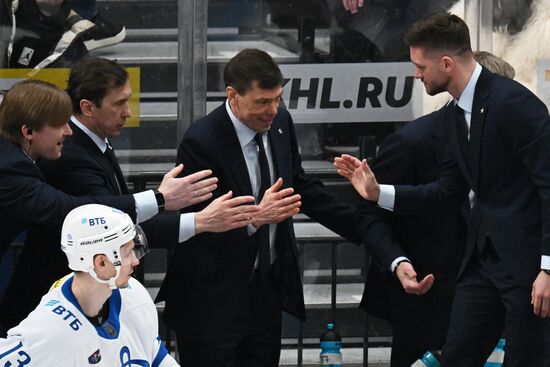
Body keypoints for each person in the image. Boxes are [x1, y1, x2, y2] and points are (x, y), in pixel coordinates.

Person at [155, 48, 431, 367]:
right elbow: (196, 226)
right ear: (233, 96)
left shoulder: (279, 122)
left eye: (277, 98)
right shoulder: (201, 142)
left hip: (265, 294)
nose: (272, 110)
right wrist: (256, 218)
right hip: (210, 301)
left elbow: (299, 186)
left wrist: (371, 229)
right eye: (262, 102)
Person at [335, 13, 550, 366]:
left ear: (447, 64)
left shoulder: (516, 105)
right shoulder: (454, 115)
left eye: (420, 66)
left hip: (528, 268)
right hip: (481, 265)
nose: (416, 75)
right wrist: (378, 194)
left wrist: (548, 268)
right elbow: (446, 191)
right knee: (455, 356)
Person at [0, 57, 258, 332]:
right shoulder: (32, 163)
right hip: (53, 312)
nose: (67, 130)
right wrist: (165, 201)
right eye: (119, 103)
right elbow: (73, 212)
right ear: (28, 131)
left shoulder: (75, 147)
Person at [354, 51, 515, 367]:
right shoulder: (412, 143)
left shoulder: (516, 143)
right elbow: (369, 215)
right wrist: (398, 262)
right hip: (427, 306)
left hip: (499, 307)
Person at [0, 204, 179, 366]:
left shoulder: (134, 295)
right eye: (127, 253)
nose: (135, 261)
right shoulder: (50, 331)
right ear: (100, 263)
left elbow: (156, 356)